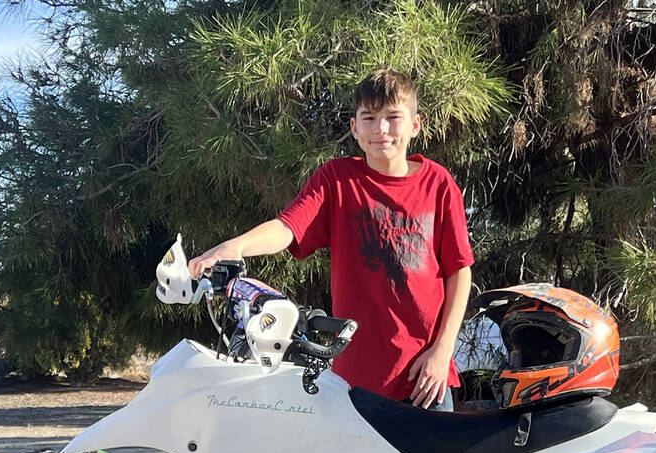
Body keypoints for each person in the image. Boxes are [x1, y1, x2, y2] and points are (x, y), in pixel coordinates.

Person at [188, 67, 473, 411]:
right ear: (354, 127)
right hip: (354, 382)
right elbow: (287, 227)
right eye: (368, 118)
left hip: (425, 379)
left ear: (415, 124)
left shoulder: (438, 184)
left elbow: (460, 272)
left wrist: (442, 352)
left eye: (393, 117)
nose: (381, 129)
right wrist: (235, 247)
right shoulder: (337, 180)